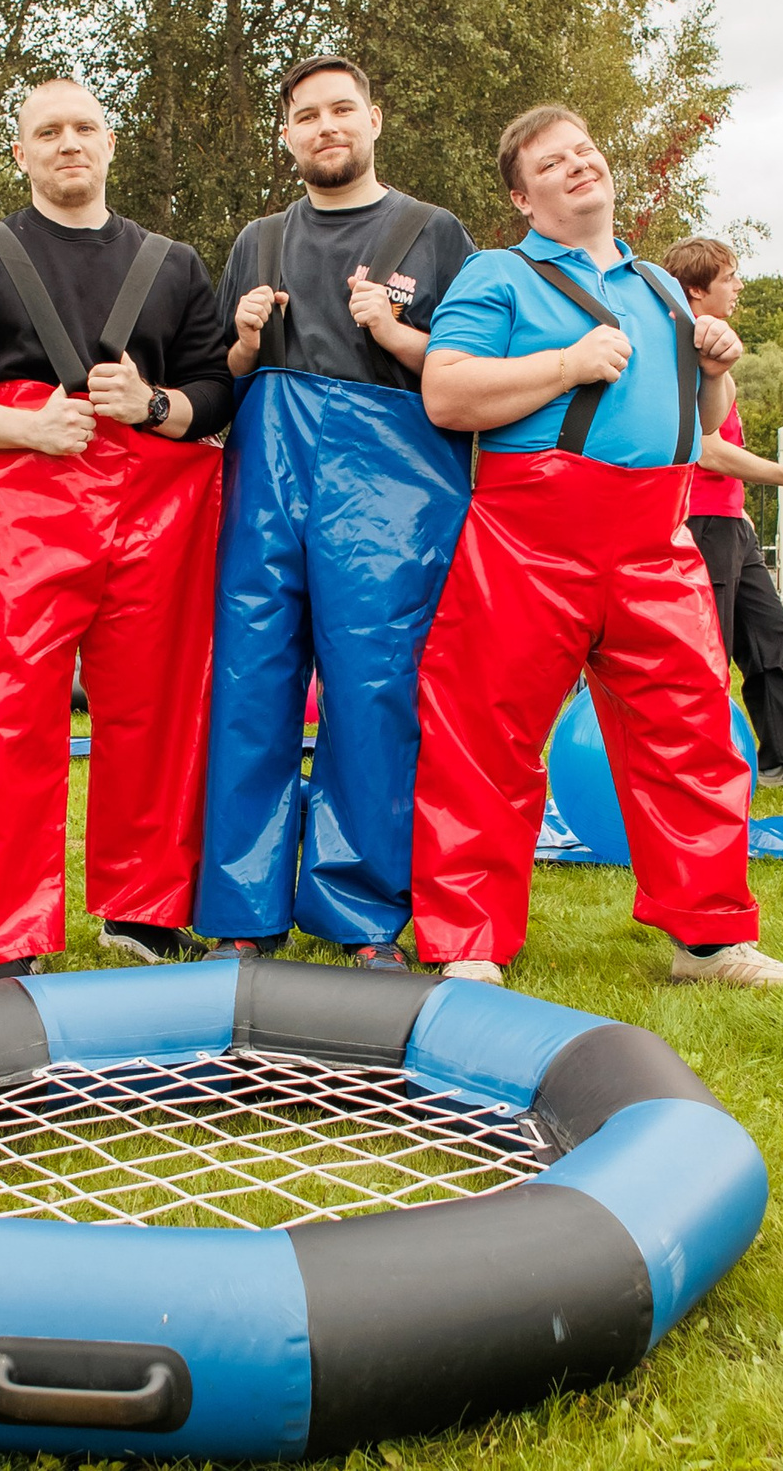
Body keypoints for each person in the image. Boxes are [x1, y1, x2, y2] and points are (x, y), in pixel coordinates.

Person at [409, 105, 783, 990]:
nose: (578, 166)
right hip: (529, 533)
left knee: (693, 731)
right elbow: (447, 392)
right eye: (552, 163)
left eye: (585, 151)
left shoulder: (663, 286)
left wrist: (716, 370)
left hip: (655, 533)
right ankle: (466, 942)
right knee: (487, 731)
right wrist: (566, 364)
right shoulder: (497, 275)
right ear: (523, 194)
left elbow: (696, 432)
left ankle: (708, 942)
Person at [0, 78, 233, 981]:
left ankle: (147, 912)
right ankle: (1, 938)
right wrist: (26, 428)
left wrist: (156, 404)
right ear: (22, 152)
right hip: (28, 507)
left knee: (158, 712)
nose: (68, 143)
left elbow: (215, 389)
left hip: (157, 512)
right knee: (3, 714)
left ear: (111, 142)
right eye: (47, 131)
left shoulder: (174, 264)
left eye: (84, 126)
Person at [197, 56, 477, 970]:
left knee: (371, 691)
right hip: (268, 476)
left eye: (342, 110)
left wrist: (394, 331)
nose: (326, 126)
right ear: (288, 135)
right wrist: (240, 346)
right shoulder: (256, 241)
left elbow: (466, 367)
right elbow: (222, 382)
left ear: (375, 120)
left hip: (392, 489)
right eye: (307, 115)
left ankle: (365, 915)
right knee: (251, 683)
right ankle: (244, 911)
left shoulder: (434, 234)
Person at [661, 236, 783, 789]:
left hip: (728, 523)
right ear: (697, 289)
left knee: (772, 638)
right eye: (729, 276)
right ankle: (695, 769)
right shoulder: (678, 354)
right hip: (696, 522)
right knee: (706, 650)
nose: (739, 285)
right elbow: (708, 447)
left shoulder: (721, 358)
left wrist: (740, 511)